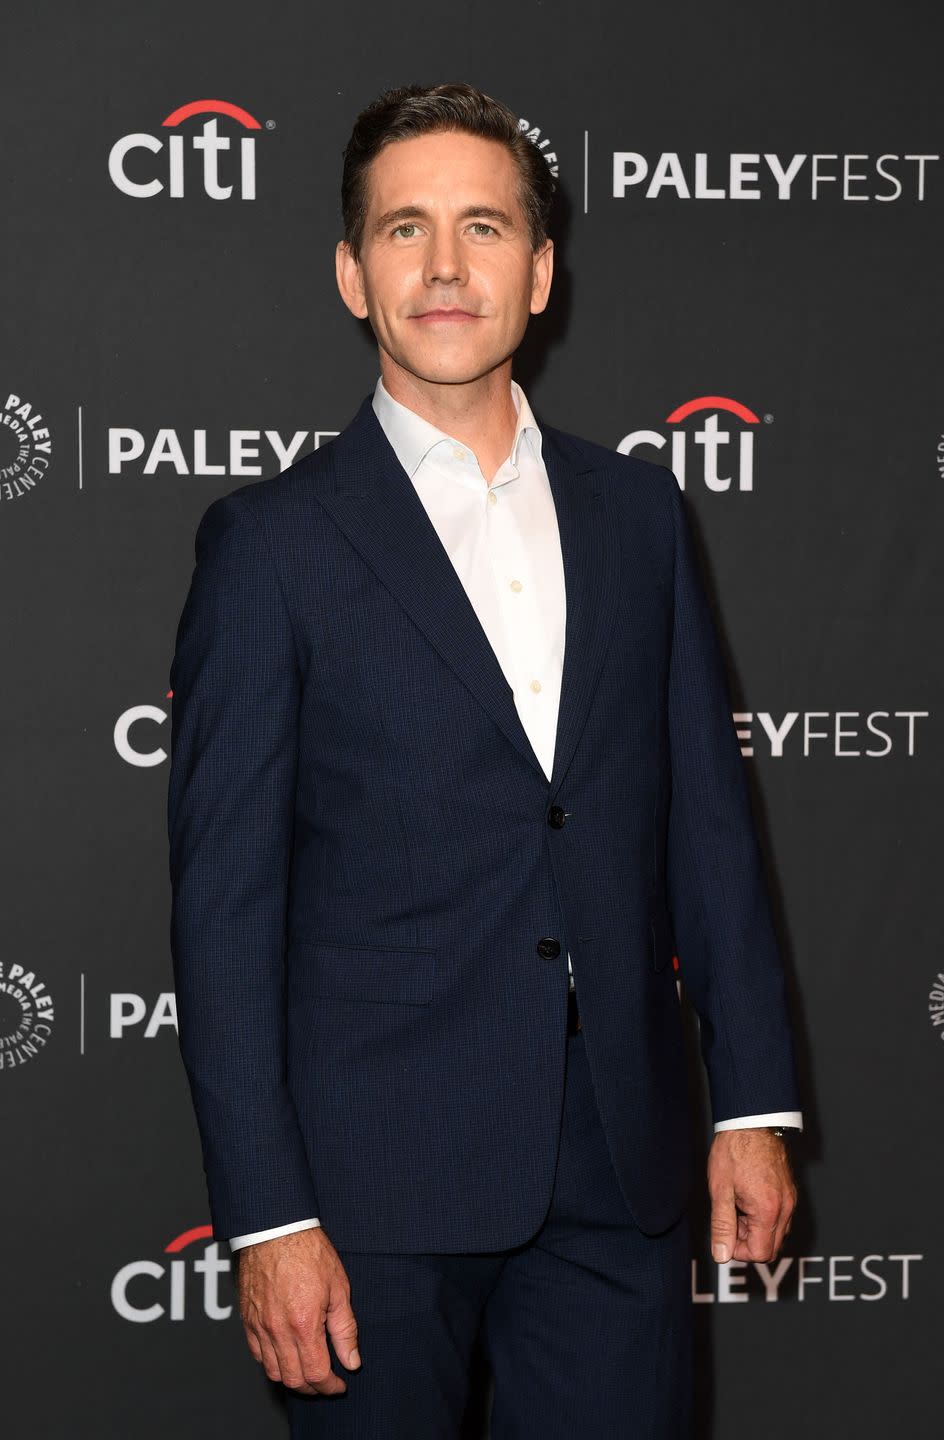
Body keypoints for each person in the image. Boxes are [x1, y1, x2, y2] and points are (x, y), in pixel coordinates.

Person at [167, 80, 802, 1438]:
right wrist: (267, 1214)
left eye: (485, 227)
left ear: (544, 268)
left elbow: (708, 829)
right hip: (367, 1192)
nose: (447, 267)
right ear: (352, 272)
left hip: (621, 1171)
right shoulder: (271, 548)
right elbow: (223, 913)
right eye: (405, 230)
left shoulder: (638, 514)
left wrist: (751, 1099)